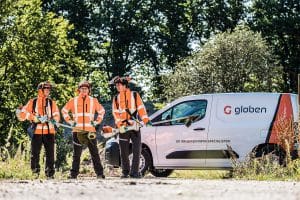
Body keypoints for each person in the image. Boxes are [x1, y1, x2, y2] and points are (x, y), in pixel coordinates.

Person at [61, 80, 105, 179]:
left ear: (89, 90)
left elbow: (102, 111)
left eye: (86, 88)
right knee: (76, 154)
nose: (84, 90)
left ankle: (100, 174)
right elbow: (64, 111)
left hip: (90, 131)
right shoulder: (73, 100)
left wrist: (97, 121)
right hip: (77, 131)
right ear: (79, 89)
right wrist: (70, 121)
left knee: (94, 153)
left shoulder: (94, 100)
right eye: (82, 88)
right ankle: (73, 174)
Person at [17, 81, 60, 178]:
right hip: (36, 131)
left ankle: (50, 174)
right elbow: (23, 114)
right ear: (41, 90)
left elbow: (57, 114)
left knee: (50, 154)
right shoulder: (33, 102)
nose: (48, 90)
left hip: (49, 132)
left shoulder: (51, 103)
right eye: (46, 88)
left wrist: (54, 120)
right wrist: (35, 118)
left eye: (49, 89)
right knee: (35, 154)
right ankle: (35, 173)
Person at [111, 76, 151, 178]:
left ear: (125, 85)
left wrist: (146, 120)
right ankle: (125, 172)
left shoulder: (134, 95)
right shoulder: (116, 98)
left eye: (119, 85)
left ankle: (135, 172)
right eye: (117, 86)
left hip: (135, 126)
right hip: (123, 127)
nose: (118, 87)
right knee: (123, 150)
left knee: (137, 150)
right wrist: (120, 125)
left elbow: (141, 108)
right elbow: (115, 113)